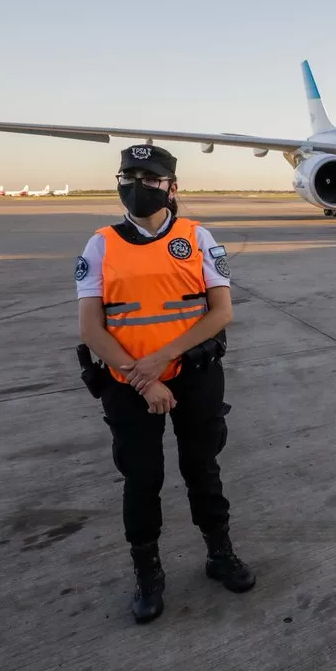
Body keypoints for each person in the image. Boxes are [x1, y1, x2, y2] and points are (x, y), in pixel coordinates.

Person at [75, 144, 254, 625]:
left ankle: (220, 553)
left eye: (150, 178)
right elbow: (91, 329)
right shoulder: (101, 244)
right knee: (142, 477)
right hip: (128, 383)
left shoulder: (197, 237)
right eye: (128, 175)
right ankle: (148, 574)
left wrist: (161, 360)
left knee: (202, 466)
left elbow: (222, 312)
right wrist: (142, 377)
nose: (138, 186)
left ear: (172, 187)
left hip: (194, 375)